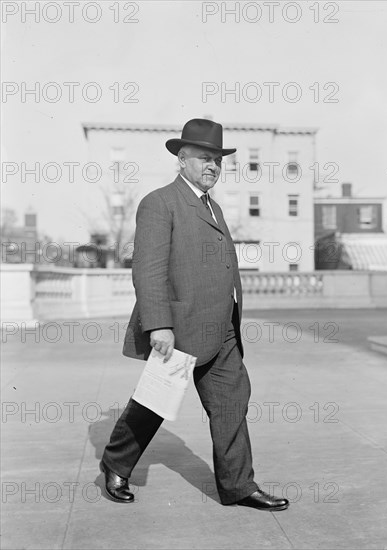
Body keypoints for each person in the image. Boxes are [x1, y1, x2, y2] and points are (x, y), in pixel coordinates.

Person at [100, 118, 289, 511]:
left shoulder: (214, 207)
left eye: (217, 160)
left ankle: (239, 485)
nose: (212, 166)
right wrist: (159, 325)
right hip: (180, 328)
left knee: (232, 403)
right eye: (204, 158)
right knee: (154, 404)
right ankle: (116, 464)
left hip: (222, 330)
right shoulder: (160, 202)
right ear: (181, 159)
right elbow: (148, 269)